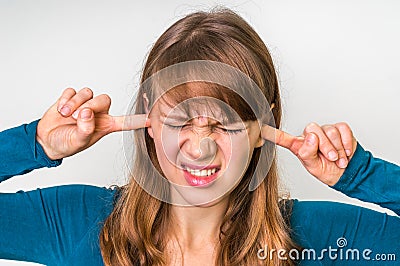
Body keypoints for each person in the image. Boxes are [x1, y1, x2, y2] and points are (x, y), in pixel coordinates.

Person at [0, 9, 399, 266]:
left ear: (264, 125)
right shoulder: (78, 221)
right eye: (179, 121)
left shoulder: (317, 237)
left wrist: (359, 174)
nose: (199, 147)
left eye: (224, 125)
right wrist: (35, 145)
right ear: (147, 118)